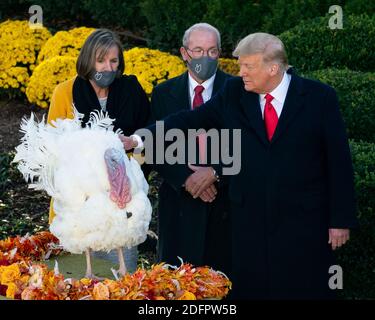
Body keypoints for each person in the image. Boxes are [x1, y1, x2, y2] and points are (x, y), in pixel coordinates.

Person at [123, 33, 358, 299]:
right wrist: (138, 138)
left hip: (303, 223)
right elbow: (189, 119)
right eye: (240, 64)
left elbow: (338, 161)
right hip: (248, 224)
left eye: (248, 66)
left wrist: (340, 220)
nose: (240, 71)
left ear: (273, 68)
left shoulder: (319, 97)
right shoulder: (235, 93)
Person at [47, 29, 150, 274]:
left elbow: (149, 132)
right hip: (80, 205)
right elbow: (52, 147)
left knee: (122, 277)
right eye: (100, 60)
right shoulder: (65, 92)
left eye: (113, 61)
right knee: (85, 279)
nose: (107, 67)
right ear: (87, 60)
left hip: (122, 202)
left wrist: (134, 149)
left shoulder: (131, 90)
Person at [149, 23, 232, 274]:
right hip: (178, 204)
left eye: (212, 51)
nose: (205, 58)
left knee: (222, 282)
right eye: (198, 50)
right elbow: (155, 146)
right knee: (176, 281)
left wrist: (215, 172)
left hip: (224, 203)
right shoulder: (164, 93)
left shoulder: (237, 91)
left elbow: (248, 144)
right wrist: (187, 178)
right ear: (184, 53)